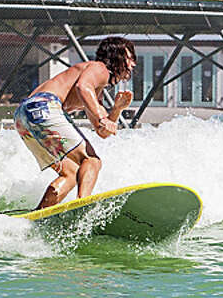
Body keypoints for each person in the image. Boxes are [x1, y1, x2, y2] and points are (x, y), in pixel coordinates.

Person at [13, 36, 137, 211]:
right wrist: (102, 118)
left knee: (71, 173)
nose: (133, 65)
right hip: (44, 106)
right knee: (92, 160)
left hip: (23, 117)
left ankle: (39, 215)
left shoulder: (96, 91)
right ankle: (82, 205)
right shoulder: (99, 68)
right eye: (130, 58)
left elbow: (102, 132)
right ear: (116, 56)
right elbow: (82, 87)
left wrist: (116, 110)